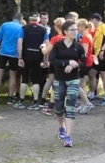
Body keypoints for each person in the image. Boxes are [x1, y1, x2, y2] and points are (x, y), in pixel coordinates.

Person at [50, 20, 86, 148]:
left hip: (73, 79)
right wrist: (67, 62)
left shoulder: (78, 46)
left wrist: (75, 65)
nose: (75, 32)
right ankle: (61, 127)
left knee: (70, 106)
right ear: (65, 31)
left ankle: (68, 137)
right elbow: (52, 60)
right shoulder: (58, 45)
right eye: (72, 30)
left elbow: (84, 61)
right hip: (59, 79)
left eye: (76, 30)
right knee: (59, 106)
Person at [0, 11, 25, 105]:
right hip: (14, 54)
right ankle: (10, 97)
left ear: (13, 18)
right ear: (21, 19)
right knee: (13, 75)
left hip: (3, 52)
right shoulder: (21, 28)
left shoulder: (5, 25)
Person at [18, 12, 49, 110]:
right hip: (38, 56)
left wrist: (20, 57)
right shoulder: (44, 30)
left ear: (29, 20)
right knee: (36, 80)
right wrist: (46, 60)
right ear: (38, 20)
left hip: (26, 55)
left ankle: (21, 101)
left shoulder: (23, 28)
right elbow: (47, 45)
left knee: (24, 79)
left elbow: (19, 42)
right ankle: (35, 101)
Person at [41, 17, 65, 114]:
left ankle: (50, 106)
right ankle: (61, 106)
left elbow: (46, 51)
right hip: (66, 64)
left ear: (56, 27)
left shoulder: (55, 39)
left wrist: (43, 47)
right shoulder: (69, 38)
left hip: (56, 64)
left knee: (55, 84)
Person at [90, 13, 105, 105]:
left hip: (101, 55)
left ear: (95, 19)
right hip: (96, 55)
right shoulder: (96, 28)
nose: (91, 22)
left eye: (92, 20)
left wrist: (102, 50)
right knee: (93, 74)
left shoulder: (104, 26)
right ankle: (92, 93)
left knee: (103, 75)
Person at [76, 18, 96, 113]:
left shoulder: (85, 37)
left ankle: (87, 103)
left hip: (85, 63)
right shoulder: (88, 35)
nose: (77, 28)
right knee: (82, 84)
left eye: (78, 26)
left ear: (82, 26)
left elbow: (84, 52)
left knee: (76, 84)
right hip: (89, 62)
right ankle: (83, 104)